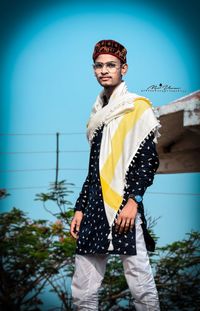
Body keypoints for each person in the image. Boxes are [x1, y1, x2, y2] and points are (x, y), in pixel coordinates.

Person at [70, 39, 161, 311]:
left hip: (124, 208)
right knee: (83, 289)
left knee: (140, 284)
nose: (104, 70)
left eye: (111, 65)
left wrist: (133, 201)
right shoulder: (98, 115)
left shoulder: (137, 108)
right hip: (94, 208)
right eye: (98, 66)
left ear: (124, 68)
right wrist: (79, 208)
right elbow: (94, 169)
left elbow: (148, 160)